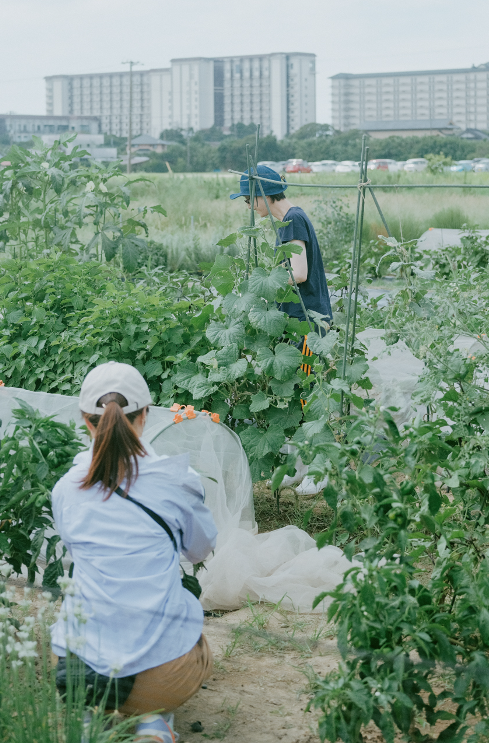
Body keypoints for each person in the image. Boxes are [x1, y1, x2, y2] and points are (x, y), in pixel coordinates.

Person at [50, 362, 217, 743]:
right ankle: (153, 723)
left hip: (75, 672)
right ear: (145, 416)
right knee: (195, 638)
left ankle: (91, 719)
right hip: (161, 679)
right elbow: (199, 550)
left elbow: (74, 549)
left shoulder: (66, 489)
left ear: (85, 421)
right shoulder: (176, 482)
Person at [228, 164, 332, 332]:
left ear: (264, 195)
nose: (248, 206)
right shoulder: (289, 219)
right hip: (299, 319)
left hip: (306, 321)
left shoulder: (293, 219)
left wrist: (261, 287)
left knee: (307, 360)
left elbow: (299, 274)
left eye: (248, 199)